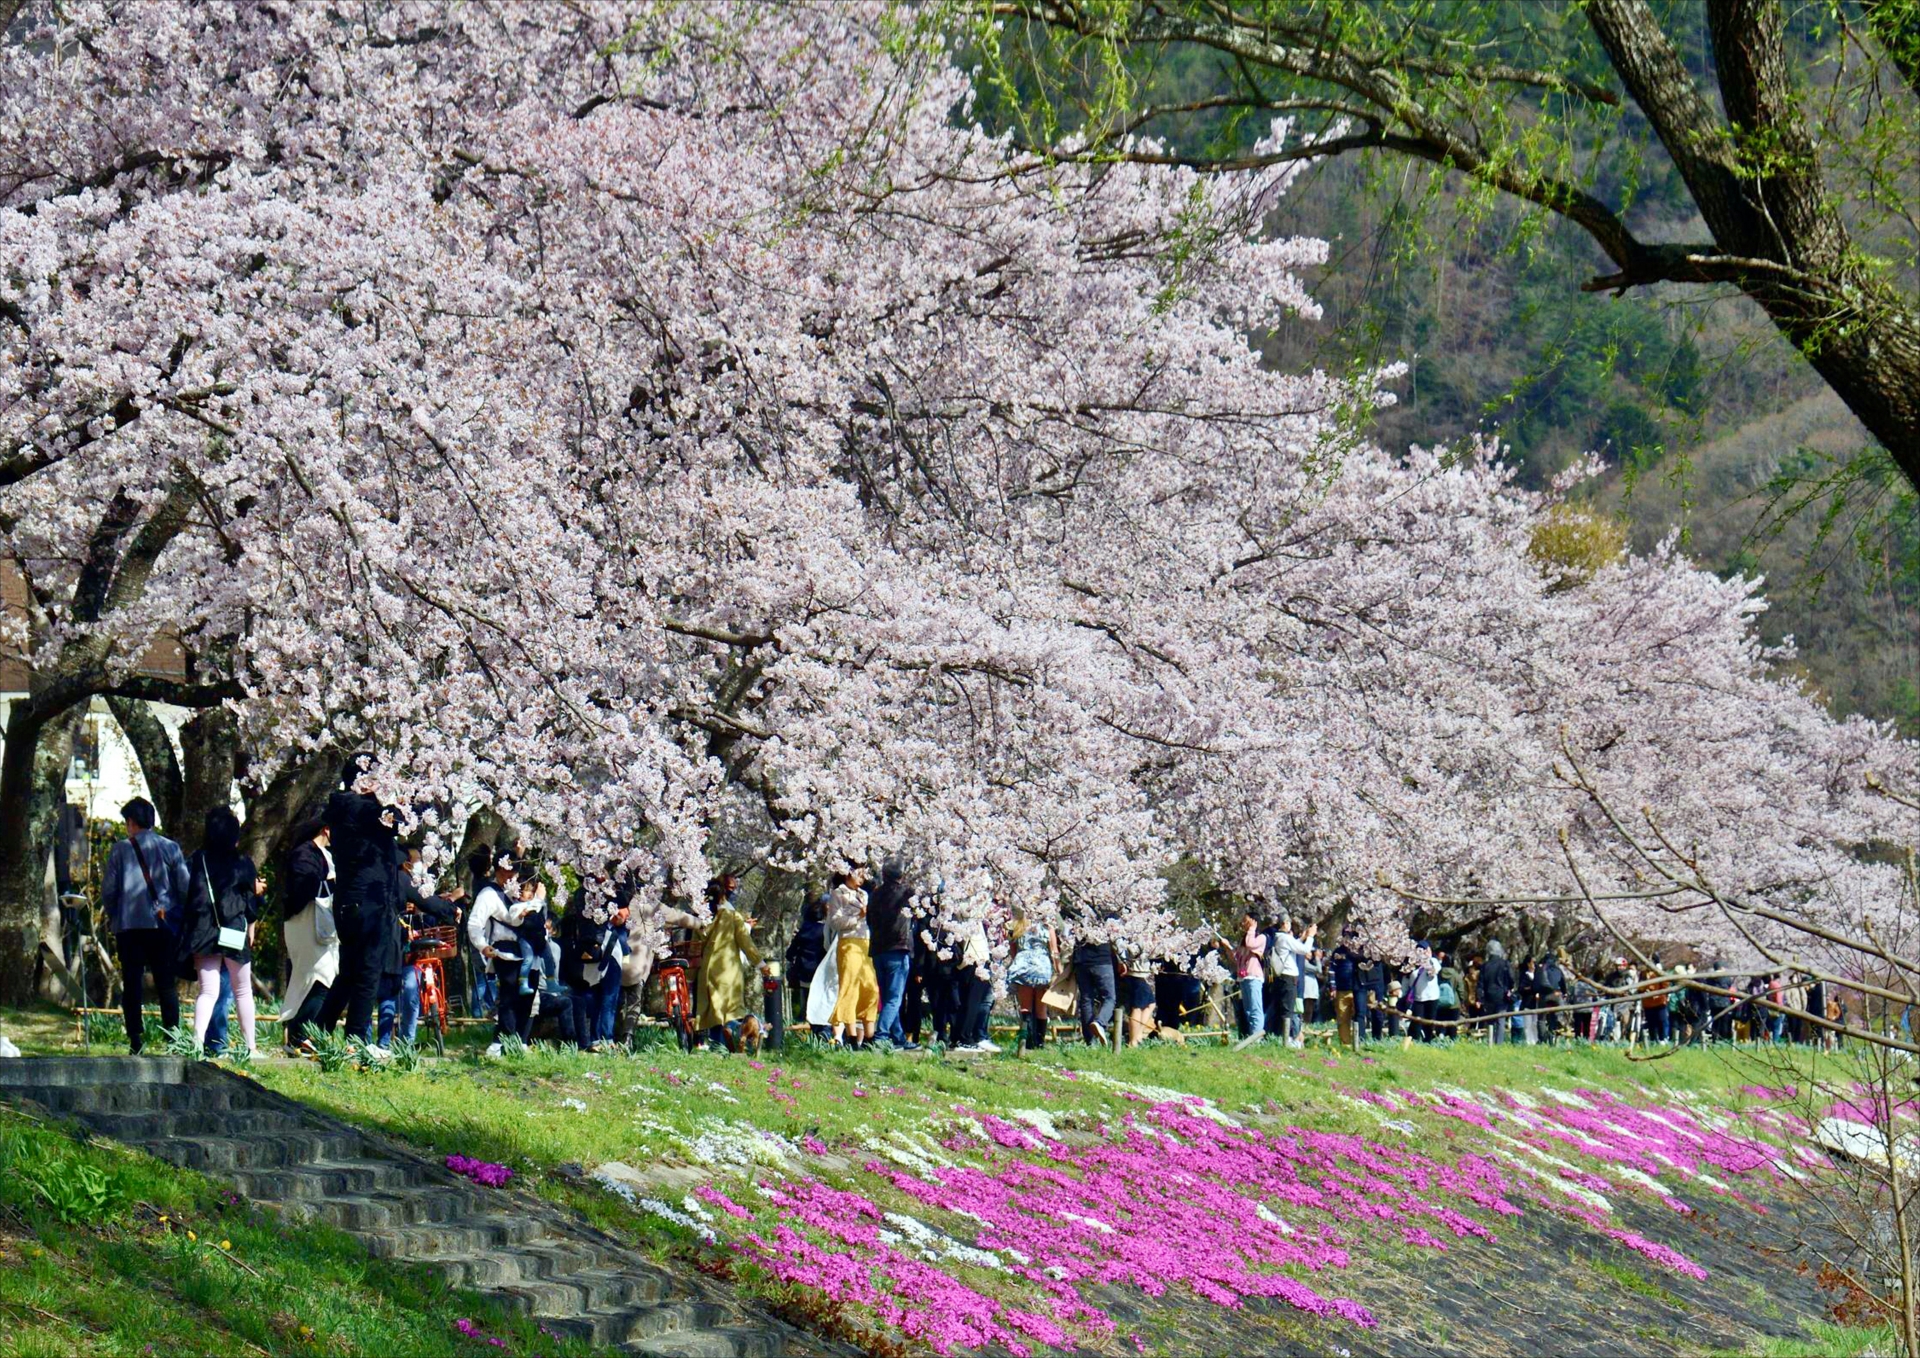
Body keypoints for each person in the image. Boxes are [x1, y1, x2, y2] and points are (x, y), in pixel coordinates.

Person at [316, 755, 400, 1047]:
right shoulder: (364, 810)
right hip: (370, 901)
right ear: (364, 780)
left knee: (350, 971)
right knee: (368, 972)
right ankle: (355, 1043)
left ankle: (318, 1033)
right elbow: (399, 821)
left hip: (348, 901)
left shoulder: (342, 810)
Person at [101, 797, 190, 1054]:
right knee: (165, 983)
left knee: (132, 982)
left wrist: (115, 915)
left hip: (129, 927)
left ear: (131, 822)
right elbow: (184, 886)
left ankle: (135, 1039)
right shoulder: (170, 848)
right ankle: (172, 1038)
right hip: (161, 925)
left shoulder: (120, 849)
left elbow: (109, 890)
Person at [179, 808, 262, 1058]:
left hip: (203, 930)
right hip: (234, 930)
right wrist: (251, 926)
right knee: (243, 990)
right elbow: (249, 899)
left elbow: (187, 894)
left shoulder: (197, 859)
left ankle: (196, 1043)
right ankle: (251, 1047)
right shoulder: (242, 862)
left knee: (208, 991)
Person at [466, 847, 541, 1056]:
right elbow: (474, 923)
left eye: (515, 872)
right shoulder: (489, 894)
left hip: (530, 950)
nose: (513, 876)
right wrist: (482, 945)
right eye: (509, 871)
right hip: (504, 951)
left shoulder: (519, 892)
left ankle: (519, 1040)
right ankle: (502, 1041)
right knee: (509, 995)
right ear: (499, 870)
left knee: (528, 996)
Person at [280, 818, 338, 1050]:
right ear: (326, 828)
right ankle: (299, 1034)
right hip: (306, 923)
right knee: (319, 979)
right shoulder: (305, 853)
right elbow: (303, 887)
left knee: (321, 978)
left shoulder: (326, 854)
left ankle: (299, 1035)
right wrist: (332, 884)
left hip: (322, 926)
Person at [694, 878, 765, 1051]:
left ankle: (716, 1045)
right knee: (731, 1010)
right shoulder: (732, 916)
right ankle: (730, 1044)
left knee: (714, 1010)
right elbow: (746, 943)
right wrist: (761, 964)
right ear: (723, 895)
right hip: (729, 969)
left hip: (708, 969)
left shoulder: (701, 920)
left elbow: (696, 946)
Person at [818, 870, 879, 1047]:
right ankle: (851, 1038)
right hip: (849, 943)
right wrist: (858, 916)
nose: (862, 879)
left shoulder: (864, 894)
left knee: (870, 988)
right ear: (847, 873)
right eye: (858, 874)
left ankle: (869, 1037)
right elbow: (836, 922)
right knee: (850, 988)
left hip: (866, 942)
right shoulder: (838, 894)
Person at [867, 861, 916, 1050]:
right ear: (901, 875)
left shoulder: (874, 895)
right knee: (894, 997)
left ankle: (898, 1037)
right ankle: (881, 1035)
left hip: (878, 950)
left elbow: (869, 921)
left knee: (887, 995)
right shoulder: (906, 893)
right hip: (898, 948)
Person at [1006, 907, 1057, 1050]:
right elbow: (1054, 951)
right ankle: (1039, 1042)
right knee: (1041, 1008)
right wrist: (1058, 970)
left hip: (1023, 965)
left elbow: (1013, 949)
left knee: (1025, 1007)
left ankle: (1026, 1041)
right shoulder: (1047, 927)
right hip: (1042, 967)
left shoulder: (1018, 925)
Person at [1072, 910, 1119, 1047]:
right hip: (1102, 960)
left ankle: (1090, 1042)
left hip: (1082, 961)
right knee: (1109, 997)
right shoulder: (1108, 911)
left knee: (1086, 999)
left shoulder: (1080, 910)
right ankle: (1100, 1022)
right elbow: (1116, 937)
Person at [1267, 915, 1312, 1048]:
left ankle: (1281, 1036)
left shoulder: (1278, 937)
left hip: (1281, 977)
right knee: (1288, 1009)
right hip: (1288, 977)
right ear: (1285, 923)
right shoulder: (1285, 938)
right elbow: (1304, 950)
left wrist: (1302, 938)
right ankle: (1288, 1039)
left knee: (1282, 1008)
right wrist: (1311, 937)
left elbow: (1293, 946)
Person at [785, 894, 828, 1035]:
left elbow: (790, 953)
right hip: (820, 972)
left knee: (806, 1006)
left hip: (804, 972)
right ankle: (820, 1033)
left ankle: (806, 1033)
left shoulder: (803, 930)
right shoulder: (825, 931)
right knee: (820, 1006)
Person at [1229, 912, 1267, 1045]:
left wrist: (1252, 929)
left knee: (1255, 1008)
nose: (1243, 924)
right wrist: (1226, 946)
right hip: (1243, 978)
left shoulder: (1261, 937)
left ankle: (1257, 1039)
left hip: (1254, 977)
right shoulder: (1244, 939)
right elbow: (1236, 958)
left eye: (1246, 921)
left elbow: (1251, 945)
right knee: (1248, 1010)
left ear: (1254, 922)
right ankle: (1251, 1037)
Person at [1328, 931, 1362, 1048]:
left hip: (1357, 989)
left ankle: (1359, 1041)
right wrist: (1333, 987)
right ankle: (1345, 1043)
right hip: (1341, 990)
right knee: (1342, 1018)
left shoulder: (1359, 952)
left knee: (1359, 1016)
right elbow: (1331, 970)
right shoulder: (1337, 952)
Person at [1477, 941, 1515, 1043]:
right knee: (1500, 1021)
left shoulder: (1485, 966)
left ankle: (1490, 1041)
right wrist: (1509, 988)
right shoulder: (1505, 964)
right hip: (1502, 996)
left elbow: (1480, 984)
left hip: (1489, 996)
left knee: (1490, 1020)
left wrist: (1480, 998)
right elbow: (1511, 979)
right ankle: (1499, 1043)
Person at [1409, 943, 1440, 1041]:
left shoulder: (1433, 961)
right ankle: (1415, 1040)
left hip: (1432, 997)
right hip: (1418, 997)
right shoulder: (1413, 964)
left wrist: (1427, 960)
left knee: (1429, 1021)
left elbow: (1433, 974)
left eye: (1423, 950)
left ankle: (1428, 1040)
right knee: (1417, 1020)